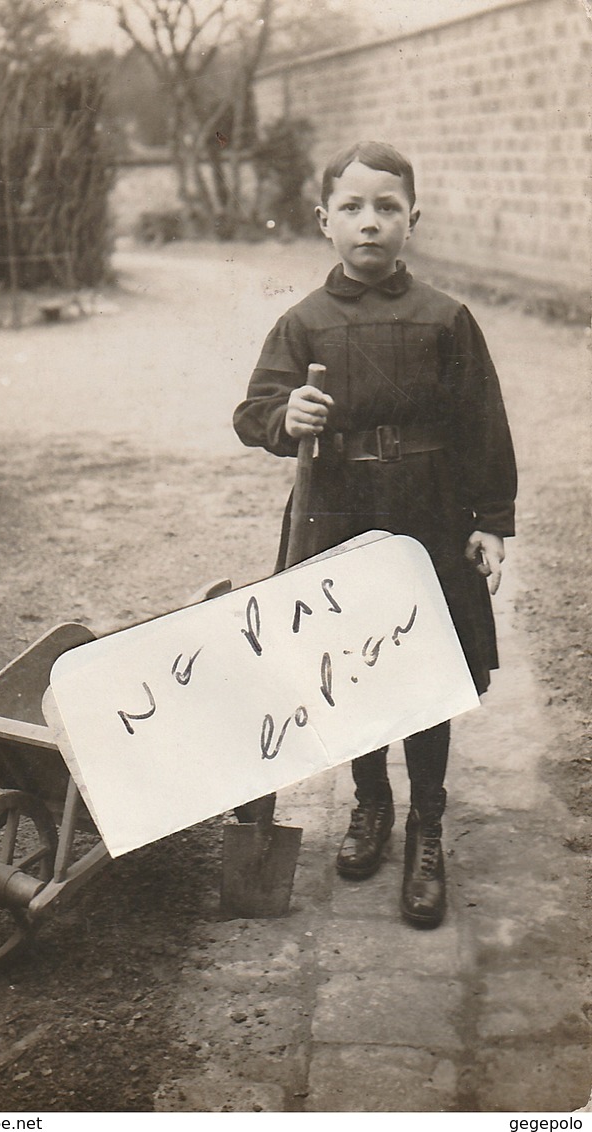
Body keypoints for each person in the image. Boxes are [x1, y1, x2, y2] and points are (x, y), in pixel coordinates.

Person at [233, 140, 517, 928]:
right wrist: (285, 417)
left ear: (412, 221)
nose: (369, 223)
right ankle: (371, 803)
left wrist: (491, 524)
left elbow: (482, 427)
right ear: (323, 221)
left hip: (426, 515)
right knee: (351, 668)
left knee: (425, 671)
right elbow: (252, 412)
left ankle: (427, 821)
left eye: (385, 208)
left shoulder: (444, 320)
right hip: (336, 514)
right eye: (351, 208)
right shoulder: (303, 324)